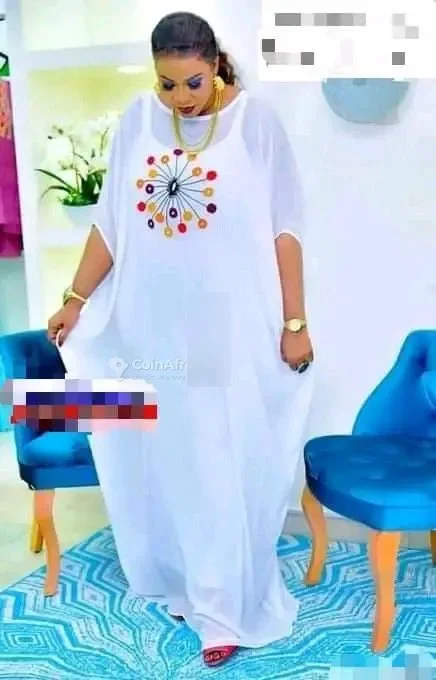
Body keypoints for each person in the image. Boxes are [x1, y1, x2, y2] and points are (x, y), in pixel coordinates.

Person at [47, 11, 315, 667]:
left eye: (192, 82)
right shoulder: (138, 120)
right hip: (150, 329)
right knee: (166, 459)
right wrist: (75, 299)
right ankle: (184, 584)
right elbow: (110, 226)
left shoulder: (254, 124)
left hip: (225, 332)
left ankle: (222, 609)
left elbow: (286, 230)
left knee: (215, 458)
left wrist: (295, 322)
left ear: (215, 63)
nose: (180, 98)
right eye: (166, 84)